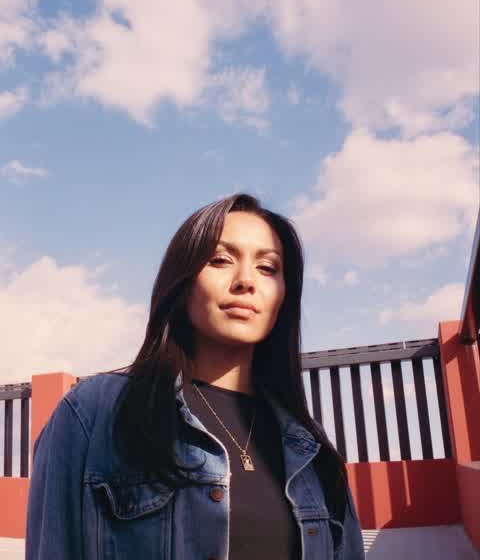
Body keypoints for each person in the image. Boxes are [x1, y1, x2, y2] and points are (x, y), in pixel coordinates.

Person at [25, 192, 365, 559]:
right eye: (220, 260)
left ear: (284, 295)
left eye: (267, 267)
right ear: (183, 281)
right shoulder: (94, 414)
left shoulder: (310, 451)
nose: (246, 281)